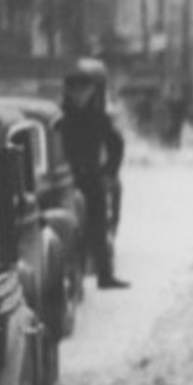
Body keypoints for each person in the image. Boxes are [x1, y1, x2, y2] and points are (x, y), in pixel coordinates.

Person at [60, 65, 129, 289]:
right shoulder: (60, 118)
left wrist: (109, 171)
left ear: (90, 92)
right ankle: (75, 280)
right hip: (65, 180)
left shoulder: (97, 117)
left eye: (84, 91)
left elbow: (116, 144)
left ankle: (104, 275)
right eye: (75, 91)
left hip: (92, 178)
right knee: (71, 231)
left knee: (98, 228)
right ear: (69, 92)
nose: (80, 96)